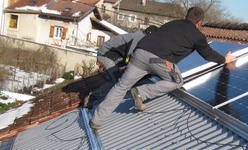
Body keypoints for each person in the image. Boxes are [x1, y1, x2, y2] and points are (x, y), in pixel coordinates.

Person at [89, 7, 236, 130]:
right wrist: (225, 59)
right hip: (158, 60)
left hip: (139, 54)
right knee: (177, 81)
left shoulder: (172, 24)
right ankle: (140, 93)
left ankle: (96, 120)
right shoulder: (197, 35)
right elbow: (208, 54)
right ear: (199, 23)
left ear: (186, 17)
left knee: (121, 86)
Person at [84, 25, 158, 108]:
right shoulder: (138, 38)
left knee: (125, 78)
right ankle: (92, 97)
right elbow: (131, 58)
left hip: (115, 56)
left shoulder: (141, 37)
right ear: (150, 34)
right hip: (106, 55)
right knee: (118, 81)